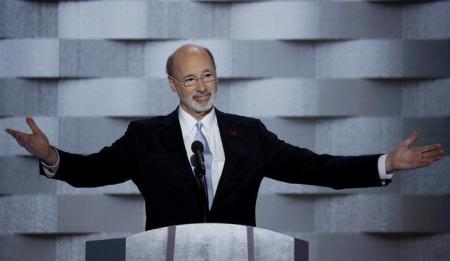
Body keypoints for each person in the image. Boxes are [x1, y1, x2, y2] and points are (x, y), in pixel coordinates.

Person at [5, 45, 445, 231]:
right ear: (172, 85)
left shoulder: (249, 134)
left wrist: (385, 162)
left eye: (209, 75)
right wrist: (52, 155)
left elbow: (314, 166)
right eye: (191, 78)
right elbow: (94, 172)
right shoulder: (145, 138)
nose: (202, 87)